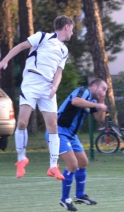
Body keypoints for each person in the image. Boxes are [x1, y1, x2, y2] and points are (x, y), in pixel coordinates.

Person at [0, 15, 75, 180]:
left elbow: (59, 72)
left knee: (53, 126)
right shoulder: (43, 36)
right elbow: (21, 46)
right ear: (66, 27)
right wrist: (5, 60)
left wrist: (55, 86)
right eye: (72, 29)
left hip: (48, 88)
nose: (73, 33)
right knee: (22, 121)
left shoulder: (64, 50)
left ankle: (53, 166)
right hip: (31, 81)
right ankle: (21, 159)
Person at [46, 78, 108, 211]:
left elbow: (100, 118)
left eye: (106, 90)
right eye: (103, 88)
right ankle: (65, 199)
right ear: (94, 85)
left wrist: (101, 102)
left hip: (71, 135)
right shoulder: (83, 91)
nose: (104, 91)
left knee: (83, 162)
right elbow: (75, 101)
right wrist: (98, 105)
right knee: (72, 164)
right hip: (59, 131)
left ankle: (79, 195)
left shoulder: (93, 101)